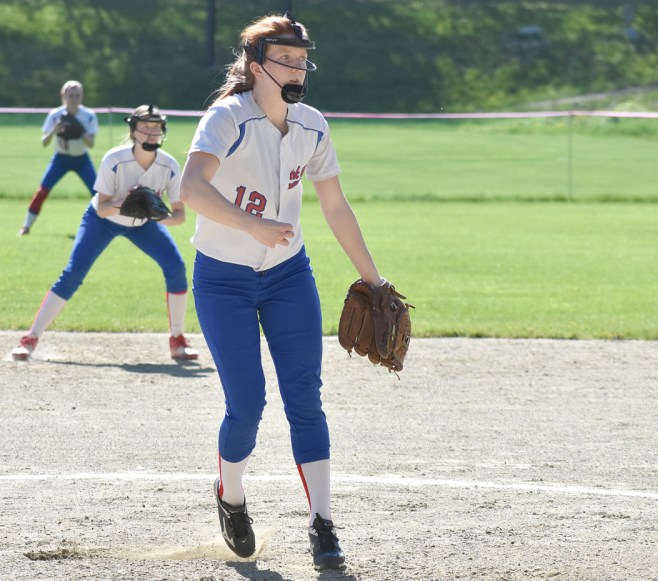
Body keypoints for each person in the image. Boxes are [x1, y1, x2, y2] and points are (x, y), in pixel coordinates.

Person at [180, 12, 385, 571]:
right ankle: (232, 496)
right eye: (286, 60)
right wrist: (252, 227)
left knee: (305, 397)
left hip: (290, 276)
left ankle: (322, 523)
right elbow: (191, 186)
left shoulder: (312, 124)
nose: (298, 69)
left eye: (302, 60)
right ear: (255, 66)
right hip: (223, 278)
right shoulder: (228, 117)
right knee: (246, 404)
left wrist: (373, 278)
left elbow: (335, 205)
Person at [11, 105, 199, 362]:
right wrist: (128, 203)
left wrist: (156, 215)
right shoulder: (115, 159)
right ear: (133, 131)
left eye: (157, 127)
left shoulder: (169, 165)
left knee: (176, 267)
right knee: (73, 273)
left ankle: (178, 340)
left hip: (143, 224)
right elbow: (101, 208)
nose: (152, 132)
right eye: (146, 127)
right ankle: (30, 338)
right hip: (103, 221)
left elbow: (179, 216)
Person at [18, 80, 99, 236]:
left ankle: (106, 226)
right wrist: (54, 130)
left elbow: (91, 144)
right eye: (70, 95)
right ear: (63, 96)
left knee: (97, 193)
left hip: (81, 160)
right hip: (60, 159)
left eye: (77, 95)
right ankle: (26, 226)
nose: (74, 99)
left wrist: (80, 132)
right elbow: (44, 142)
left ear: (82, 96)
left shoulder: (88, 115)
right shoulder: (55, 114)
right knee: (42, 190)